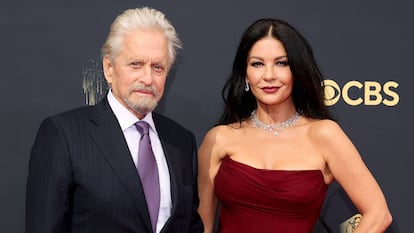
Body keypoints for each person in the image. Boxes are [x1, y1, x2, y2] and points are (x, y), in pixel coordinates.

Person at [197, 18, 392, 233]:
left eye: (281, 63)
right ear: (245, 74)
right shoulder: (219, 139)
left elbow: (378, 215)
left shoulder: (324, 135)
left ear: (297, 71)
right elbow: (201, 226)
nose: (269, 75)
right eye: (257, 64)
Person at [26, 7, 203, 233]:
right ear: (109, 68)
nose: (148, 78)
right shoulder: (64, 135)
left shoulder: (181, 141)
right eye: (136, 64)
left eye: (158, 67)